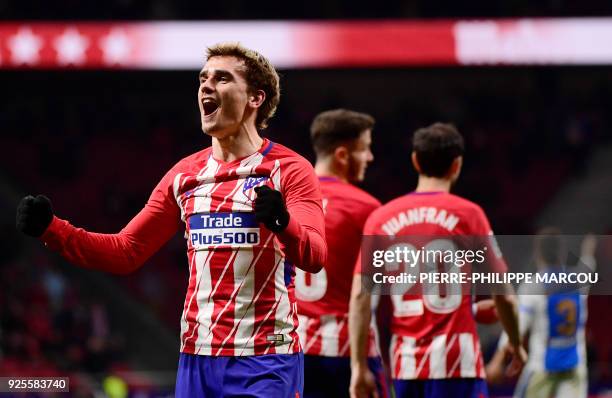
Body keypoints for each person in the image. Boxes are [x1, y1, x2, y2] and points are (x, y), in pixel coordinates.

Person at [16, 42, 327, 398]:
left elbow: (314, 256)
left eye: (222, 79)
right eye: (203, 79)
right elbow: (126, 251)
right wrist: (53, 230)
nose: (206, 87)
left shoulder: (291, 170)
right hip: (196, 359)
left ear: (256, 98)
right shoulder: (185, 175)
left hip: (265, 360)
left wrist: (282, 223)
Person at [348, 122, 526, 398]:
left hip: (406, 366)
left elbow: (361, 298)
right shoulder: (470, 215)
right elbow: (504, 296)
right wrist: (515, 343)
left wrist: (359, 367)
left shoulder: (381, 218)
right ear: (457, 165)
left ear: (415, 161)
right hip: (459, 364)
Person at [295, 109, 386, 397]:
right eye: (366, 149)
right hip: (347, 353)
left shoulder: (284, 201)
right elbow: (371, 290)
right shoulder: (368, 209)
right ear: (343, 155)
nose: (370, 158)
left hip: (291, 352)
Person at [487, 229, 596, 398]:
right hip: (575, 366)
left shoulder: (533, 286)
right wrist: (589, 249)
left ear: (538, 253)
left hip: (542, 367)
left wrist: (498, 360)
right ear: (561, 252)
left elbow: (517, 326)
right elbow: (589, 263)